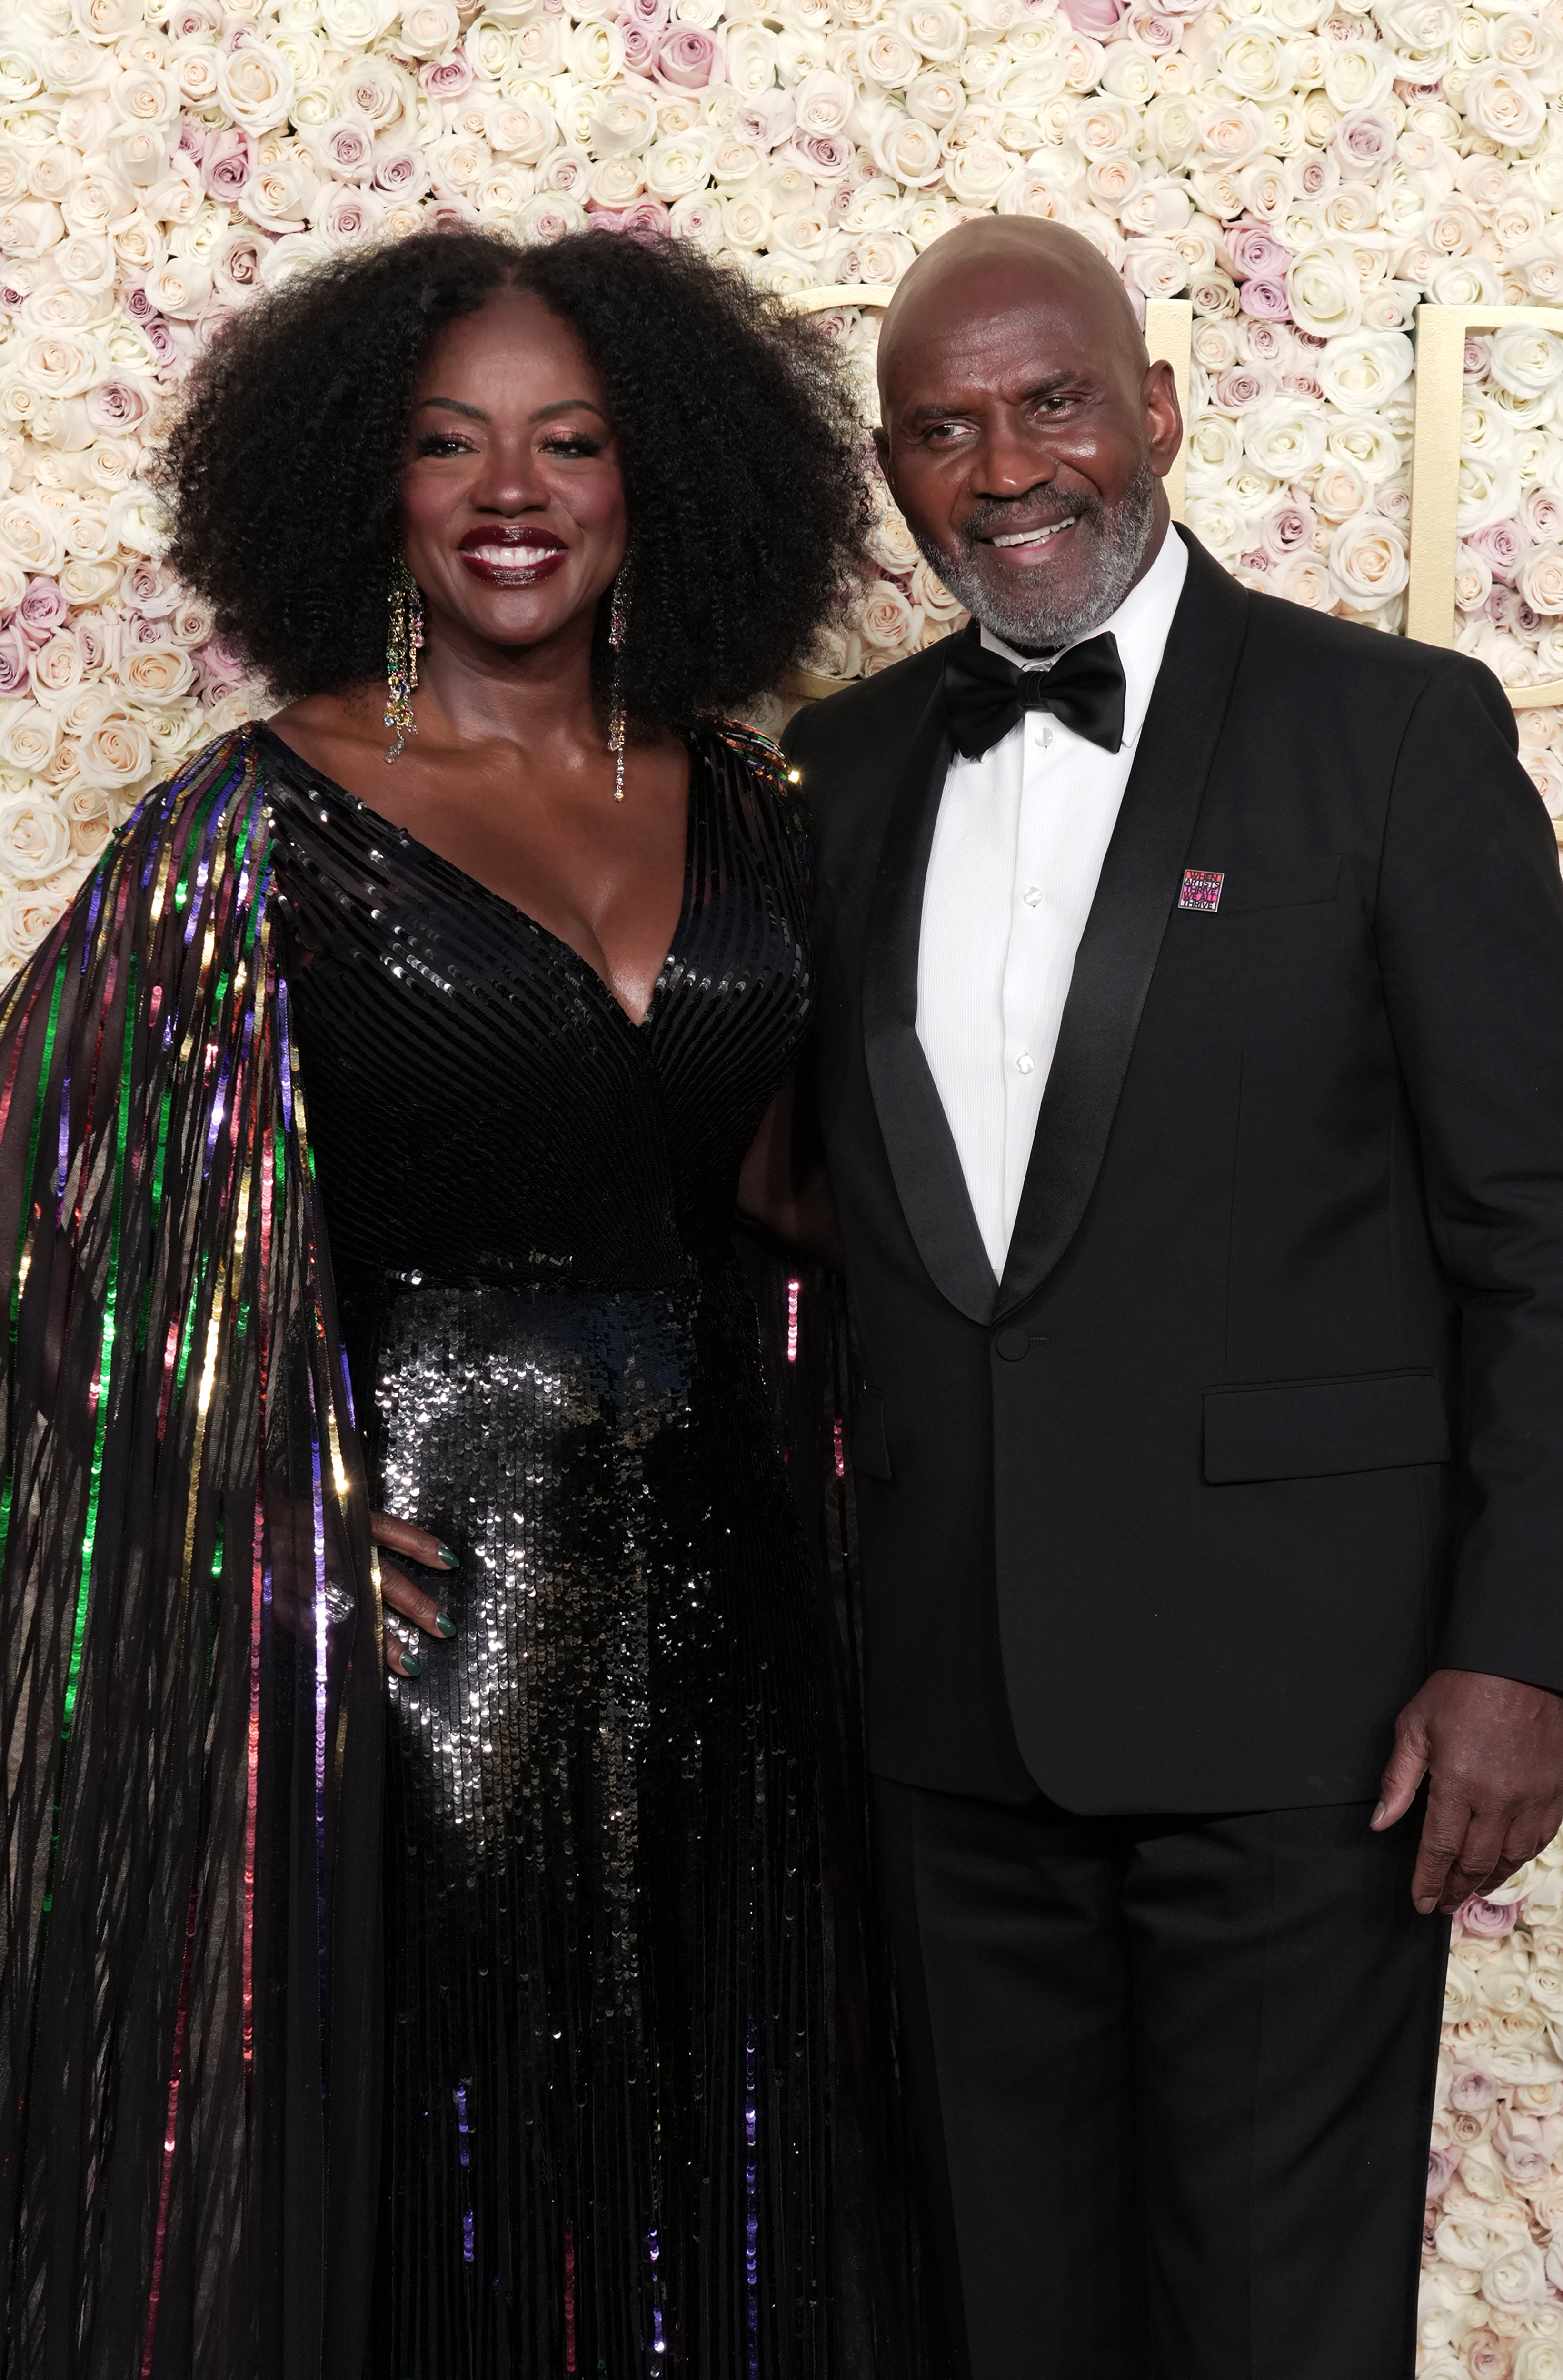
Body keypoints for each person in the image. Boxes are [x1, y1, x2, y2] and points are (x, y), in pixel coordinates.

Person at [0, 227, 915, 2380]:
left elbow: (787, 1185)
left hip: (737, 1594)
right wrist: (241, 1487)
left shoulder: (756, 805)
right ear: (364, 488)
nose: (515, 487)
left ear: (654, 474)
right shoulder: (256, 823)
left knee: (725, 2122)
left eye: (572, 440)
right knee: (445, 2156)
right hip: (422, 1614)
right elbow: (20, 1202)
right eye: (448, 442)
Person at [782, 214, 1563, 2377]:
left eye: (1052, 401)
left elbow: (1538, 1221)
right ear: (892, 470)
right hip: (953, 1713)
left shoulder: (1394, 731)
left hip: (1307, 1722)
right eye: (943, 427)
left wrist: (1522, 1644)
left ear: (1160, 412)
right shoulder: (838, 780)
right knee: (997, 2317)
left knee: (1268, 2324)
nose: (1007, 463)